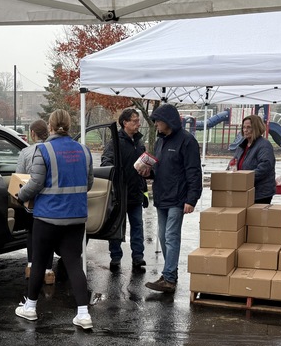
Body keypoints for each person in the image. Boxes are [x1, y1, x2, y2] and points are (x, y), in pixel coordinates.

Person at [14, 109, 95, 330]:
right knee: (74, 264)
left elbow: (35, 183)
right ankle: (83, 314)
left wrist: (20, 196)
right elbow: (88, 183)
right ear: (69, 126)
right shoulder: (84, 151)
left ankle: (30, 308)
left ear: (50, 126)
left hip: (47, 217)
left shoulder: (43, 150)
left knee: (39, 261)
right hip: (76, 217)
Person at [136, 103, 202, 293]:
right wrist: (148, 173)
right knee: (163, 236)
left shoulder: (187, 141)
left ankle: (169, 278)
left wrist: (191, 199)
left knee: (171, 236)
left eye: (158, 120)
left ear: (168, 121)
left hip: (178, 197)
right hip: (162, 196)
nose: (156, 124)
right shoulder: (160, 141)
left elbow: (194, 172)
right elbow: (159, 168)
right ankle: (169, 274)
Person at [101, 107, 148, 272]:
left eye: (138, 121)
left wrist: (145, 189)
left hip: (136, 193)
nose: (138, 124)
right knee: (117, 227)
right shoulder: (115, 142)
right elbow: (106, 162)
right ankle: (115, 257)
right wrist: (117, 176)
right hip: (120, 194)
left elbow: (143, 167)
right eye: (134, 121)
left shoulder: (139, 142)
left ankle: (138, 257)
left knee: (137, 226)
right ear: (124, 123)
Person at [17, 118, 55, 284]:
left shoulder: (26, 152)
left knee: (32, 233)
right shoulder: (53, 150)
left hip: (32, 202)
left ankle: (31, 266)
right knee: (49, 236)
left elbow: (20, 177)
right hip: (51, 202)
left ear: (32, 133)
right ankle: (48, 270)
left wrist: (21, 196)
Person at [230, 113, 276, 203]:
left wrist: (245, 178)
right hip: (242, 190)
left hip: (260, 194)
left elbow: (265, 167)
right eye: (244, 127)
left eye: (249, 127)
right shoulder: (242, 146)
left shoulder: (264, 145)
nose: (245, 130)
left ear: (256, 128)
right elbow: (233, 162)